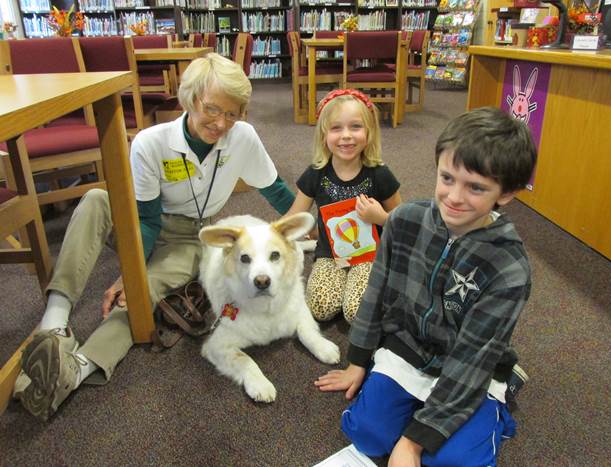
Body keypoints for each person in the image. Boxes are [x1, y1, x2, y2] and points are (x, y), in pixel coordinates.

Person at [13, 53, 295, 421]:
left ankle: (76, 369)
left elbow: (276, 190)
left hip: (193, 235)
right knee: (97, 200)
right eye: (212, 109)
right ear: (190, 99)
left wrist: (315, 227)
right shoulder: (149, 142)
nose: (222, 123)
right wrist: (126, 273)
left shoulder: (243, 138)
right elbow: (145, 221)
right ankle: (54, 321)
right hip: (147, 221)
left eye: (232, 113)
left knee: (141, 292)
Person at [315, 107, 537, 466]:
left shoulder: (509, 268)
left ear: (506, 193)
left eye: (476, 187)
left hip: (469, 367)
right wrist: (357, 361)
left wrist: (414, 442)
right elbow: (377, 292)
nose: (454, 197)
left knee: (450, 461)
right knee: (367, 434)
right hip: (408, 347)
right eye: (447, 178)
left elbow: (471, 359)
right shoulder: (404, 220)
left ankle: (503, 400)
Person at [286, 89, 401, 324]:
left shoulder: (379, 174)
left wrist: (379, 217)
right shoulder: (316, 173)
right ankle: (349, 285)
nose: (346, 136)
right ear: (323, 135)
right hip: (330, 255)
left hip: (370, 256)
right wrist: (271, 235)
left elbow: (402, 220)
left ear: (369, 133)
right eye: (336, 128)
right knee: (319, 307)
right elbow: (294, 217)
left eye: (355, 127)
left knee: (357, 314)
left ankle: (378, 286)